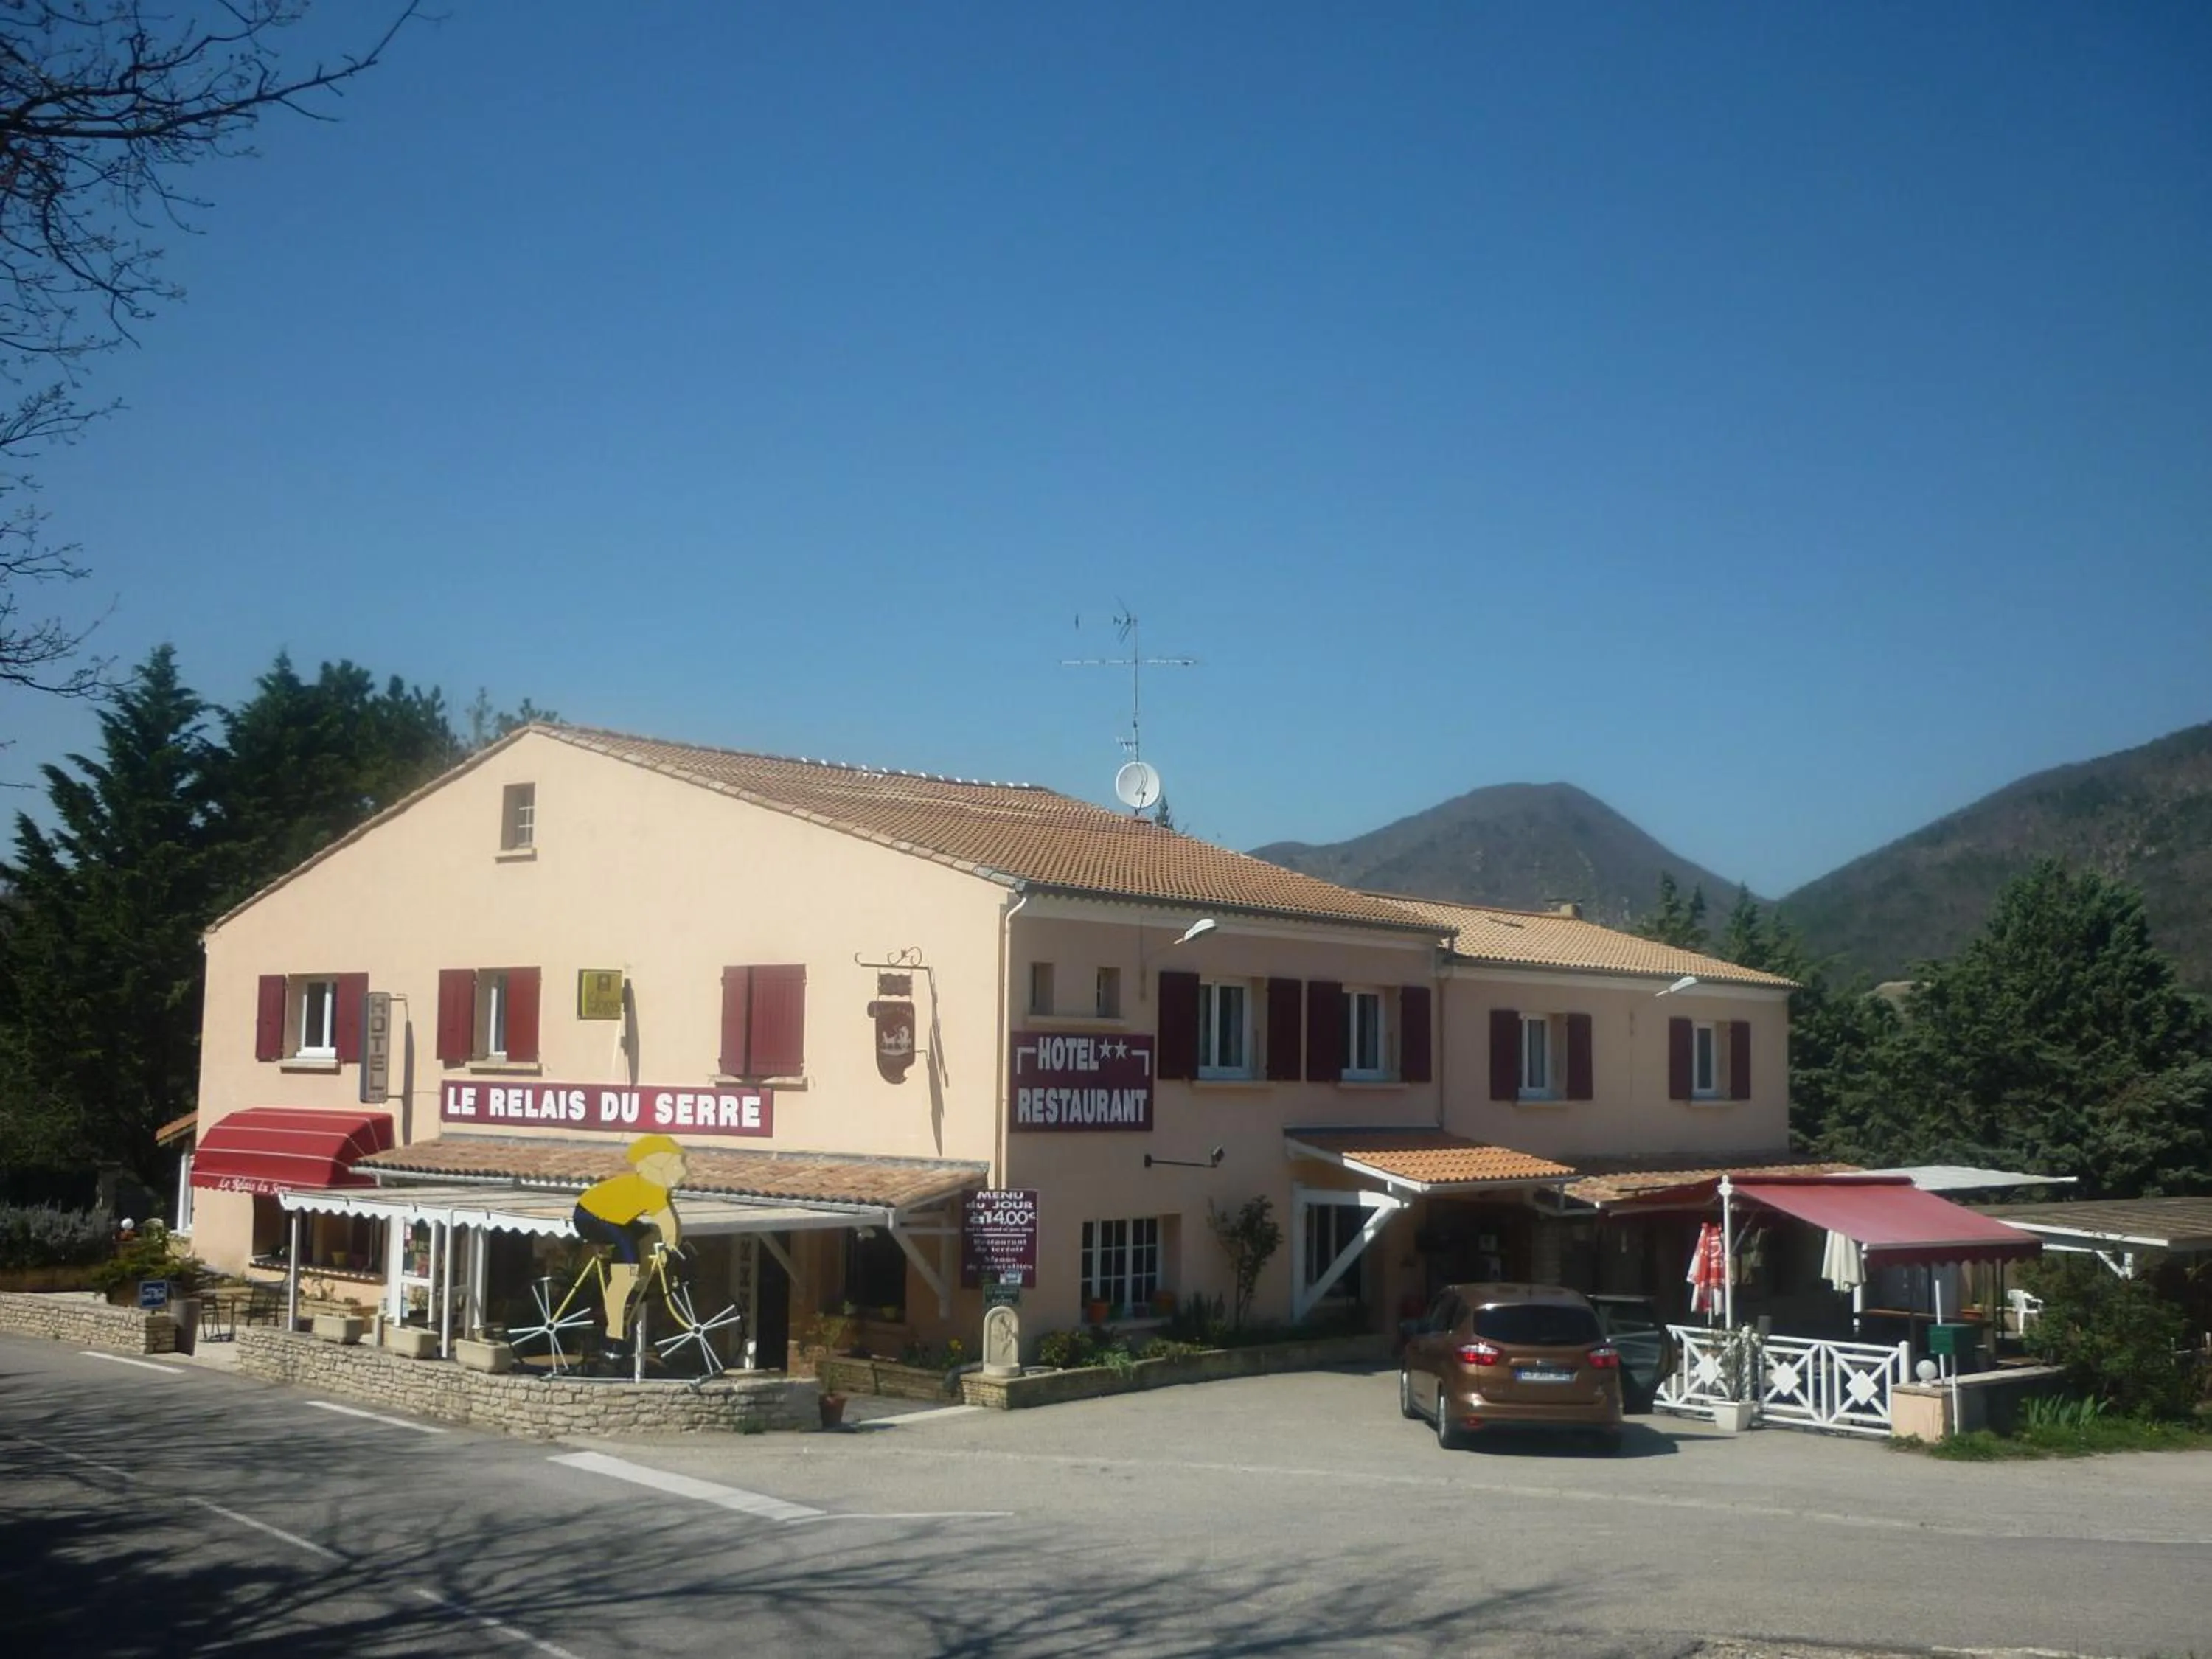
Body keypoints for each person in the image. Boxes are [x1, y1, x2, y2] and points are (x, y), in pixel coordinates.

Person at [571, 1135, 689, 1359]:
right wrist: (672, 1244)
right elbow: (666, 1220)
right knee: (626, 1257)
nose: (682, 1171)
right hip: (590, 1216)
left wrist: (672, 1244)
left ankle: (637, 1280)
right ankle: (613, 1336)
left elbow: (671, 1218)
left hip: (612, 1217)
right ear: (657, 1166)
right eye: (676, 1164)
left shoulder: (661, 1188)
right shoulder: (651, 1186)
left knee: (648, 1234)